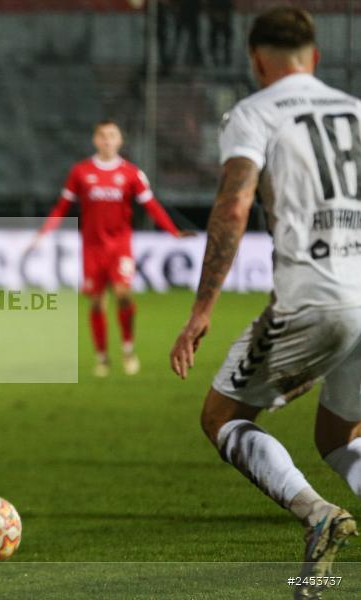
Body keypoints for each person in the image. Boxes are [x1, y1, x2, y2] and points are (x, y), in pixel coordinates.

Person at [169, 8, 361, 594]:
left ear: (256, 60)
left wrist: (201, 310)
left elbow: (232, 207)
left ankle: (318, 514)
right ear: (316, 57)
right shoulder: (355, 111)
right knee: (341, 436)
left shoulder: (254, 113)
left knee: (220, 417)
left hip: (314, 297)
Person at [30, 120, 186, 377]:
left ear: (120, 140)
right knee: (96, 303)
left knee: (124, 293)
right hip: (92, 247)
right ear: (95, 140)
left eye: (112, 135)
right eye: (102, 136)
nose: (107, 140)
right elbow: (62, 206)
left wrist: (173, 231)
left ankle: (127, 348)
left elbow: (151, 205)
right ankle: (102, 357)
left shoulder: (131, 173)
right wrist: (44, 231)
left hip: (120, 246)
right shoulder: (81, 171)